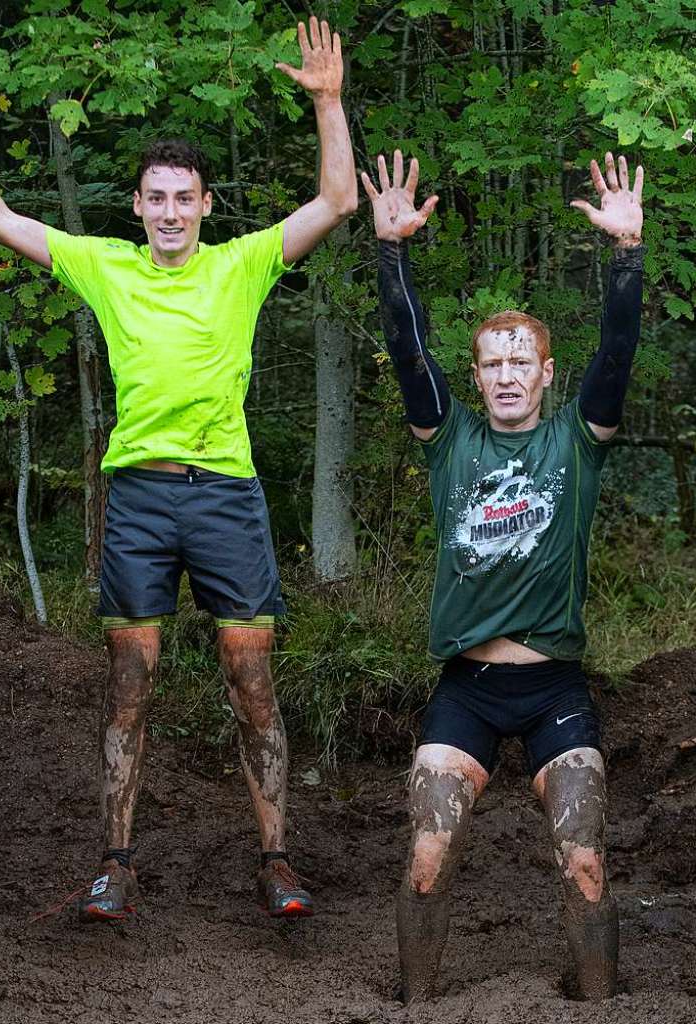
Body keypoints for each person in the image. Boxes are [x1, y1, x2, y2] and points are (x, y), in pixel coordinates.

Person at [0, 16, 357, 922]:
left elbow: (334, 203)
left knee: (252, 682)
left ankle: (276, 859)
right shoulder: (107, 268)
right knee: (128, 687)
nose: (169, 211)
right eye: (155, 197)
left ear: (206, 206)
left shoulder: (241, 267)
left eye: (184, 198)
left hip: (227, 499)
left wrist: (328, 102)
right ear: (137, 206)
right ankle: (114, 866)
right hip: (140, 499)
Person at [361, 149, 644, 1001]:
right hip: (467, 691)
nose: (508, 375)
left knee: (584, 860)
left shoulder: (575, 440)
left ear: (545, 374)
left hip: (555, 688)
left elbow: (617, 355)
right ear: (476, 375)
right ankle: (413, 1007)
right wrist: (390, 254)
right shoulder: (450, 441)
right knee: (426, 854)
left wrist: (626, 252)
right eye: (492, 363)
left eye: (523, 362)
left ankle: (597, 1006)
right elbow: (410, 358)